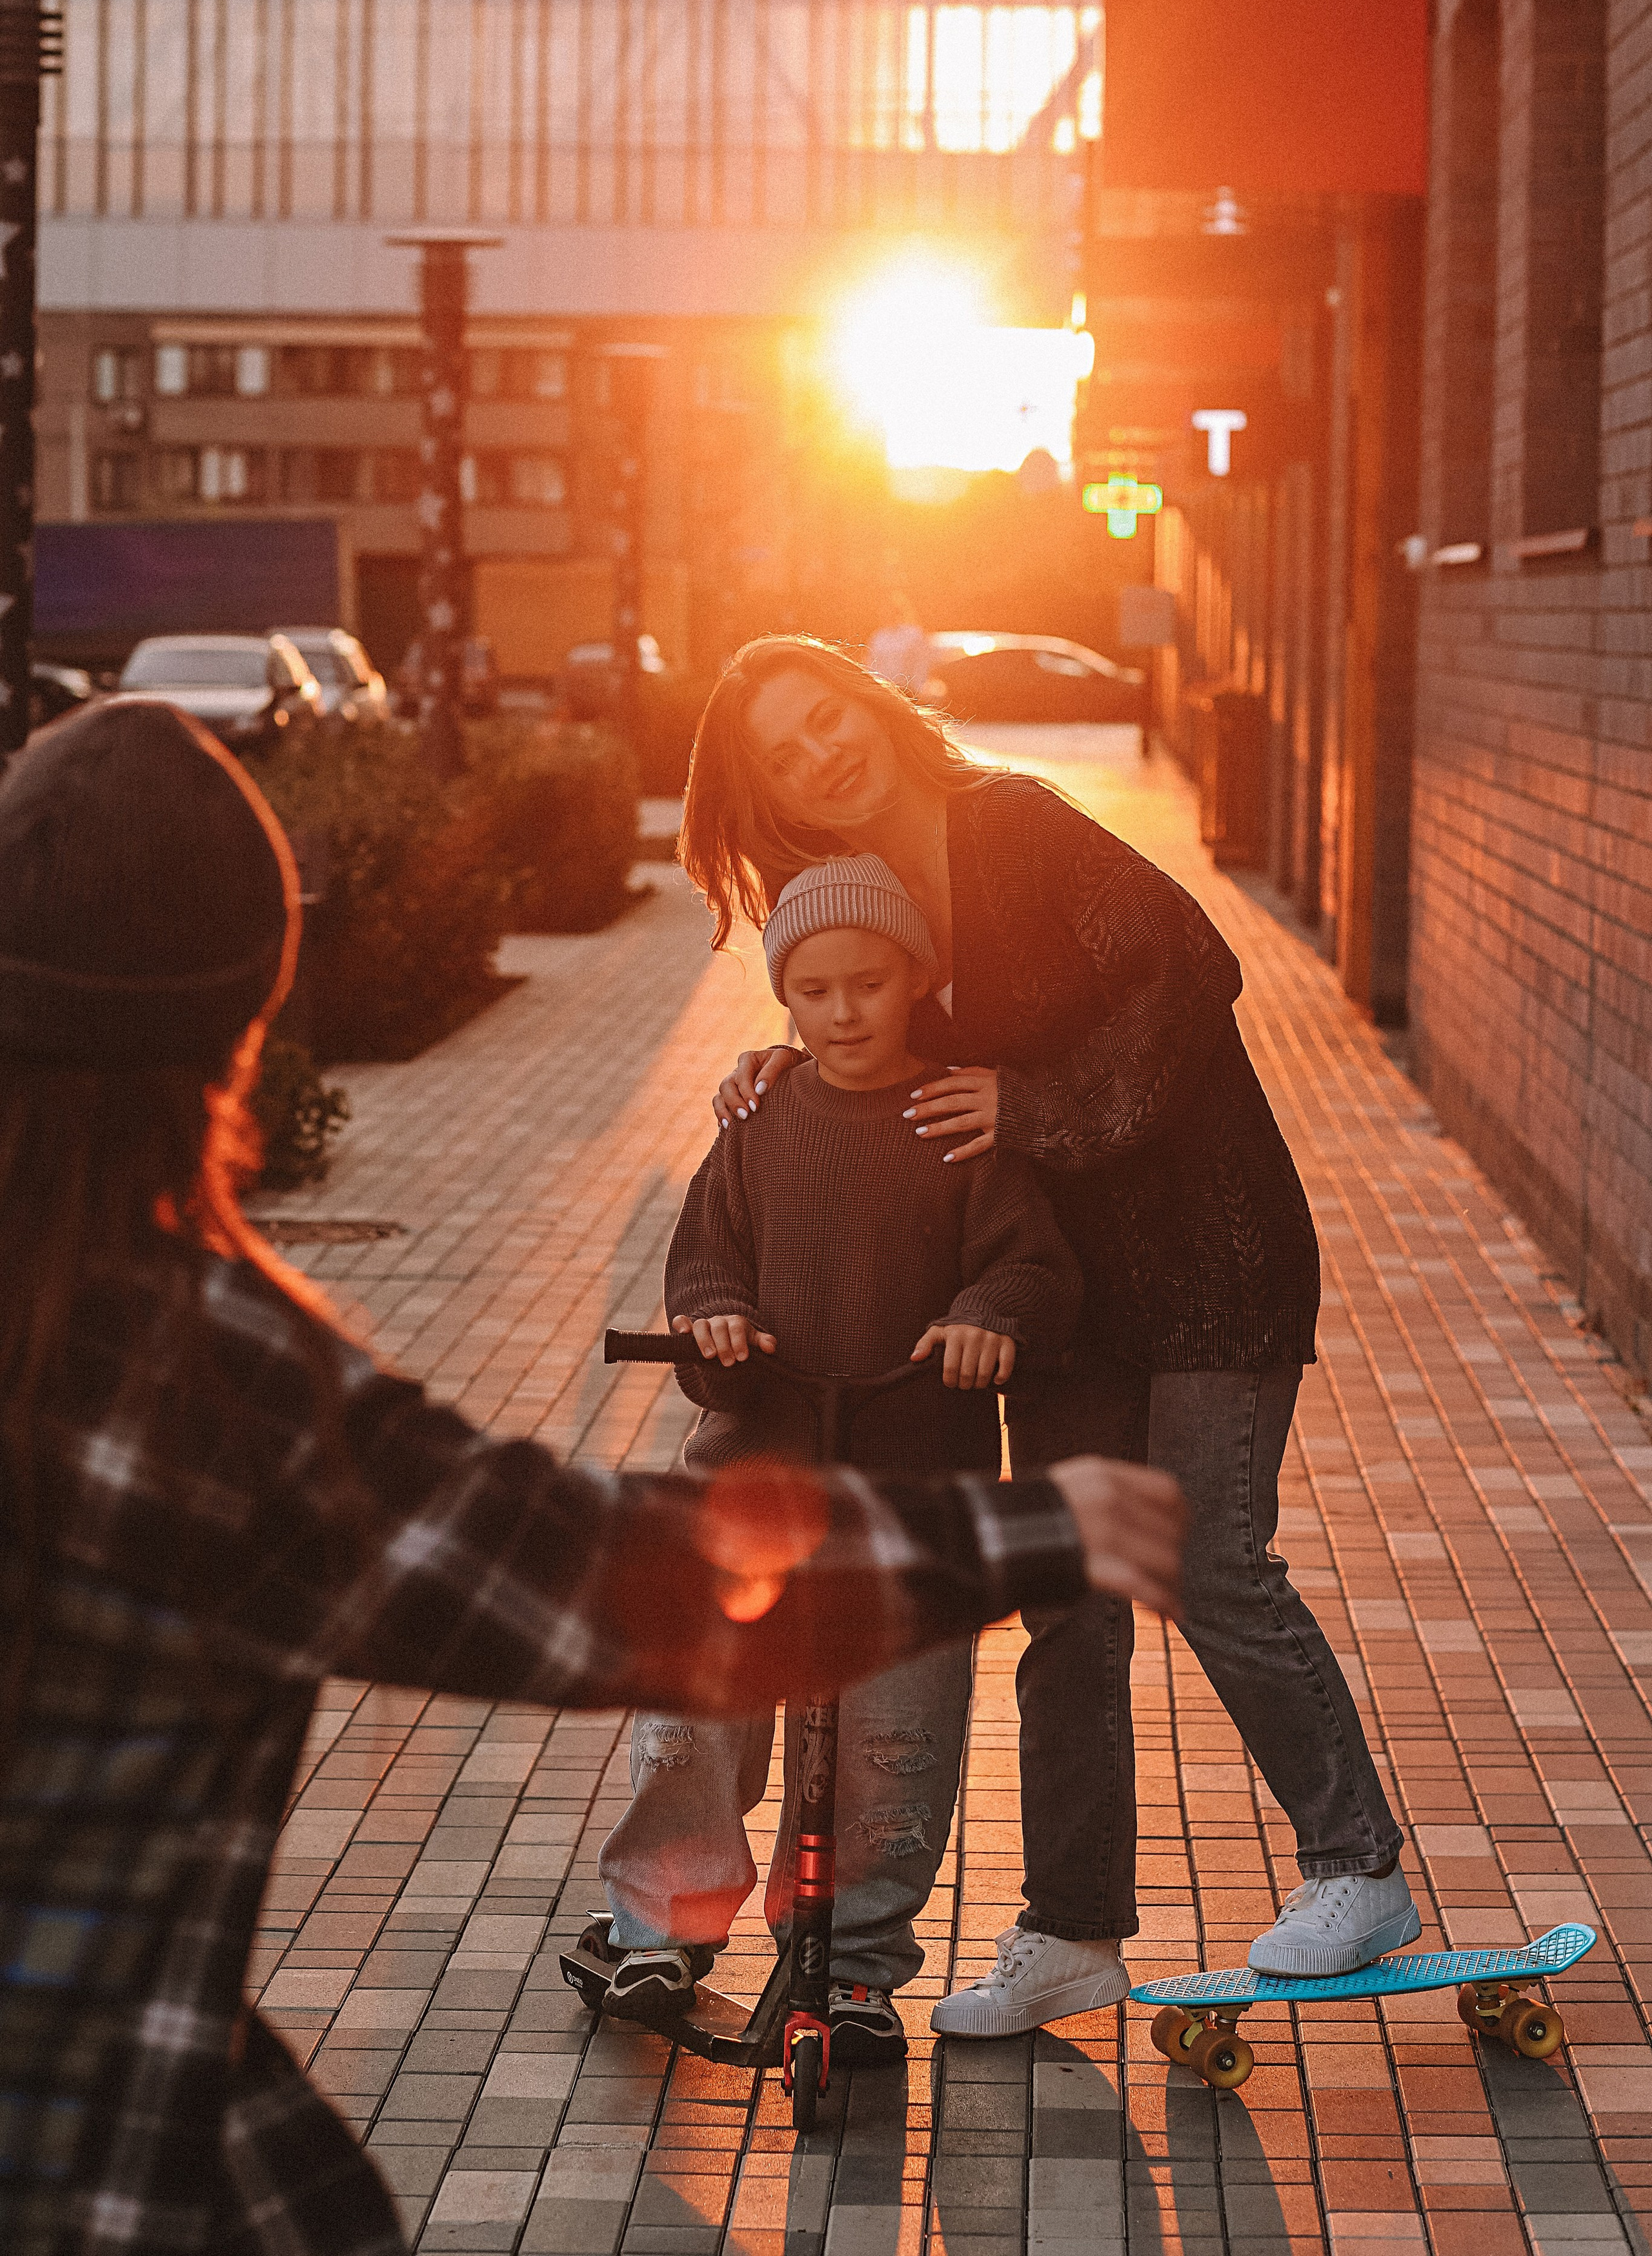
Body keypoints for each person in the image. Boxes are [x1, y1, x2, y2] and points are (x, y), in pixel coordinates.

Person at [0, 698, 1184, 2256]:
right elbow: (575, 1576)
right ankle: (670, 1926)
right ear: (241, 1028)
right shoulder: (179, 1371)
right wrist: (1032, 1527)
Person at [680, 635, 1417, 2033]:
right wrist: (787, 1060)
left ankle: (1355, 1865)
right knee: (1068, 1605)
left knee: (1205, 1557)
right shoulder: (876, 896)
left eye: (823, 716)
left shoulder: (1006, 824)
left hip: (1209, 1254)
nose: (816, 752)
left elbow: (1192, 972)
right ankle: (1072, 1933)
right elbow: (872, 1032)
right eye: (782, 750)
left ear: (872, 707)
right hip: (1071, 1289)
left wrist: (1038, 1107)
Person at [598, 854, 1083, 2068]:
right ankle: (663, 1924)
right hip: (753, 1480)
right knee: (699, 1700)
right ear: (785, 1001)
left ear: (916, 977)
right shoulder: (760, 1127)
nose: (845, 1011)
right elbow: (703, 1258)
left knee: (895, 1738)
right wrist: (713, 1320)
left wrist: (990, 1315)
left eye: (868, 983)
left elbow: (1035, 1267)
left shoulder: (958, 1124)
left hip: (913, 1488)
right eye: (813, 991)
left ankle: (857, 1968)